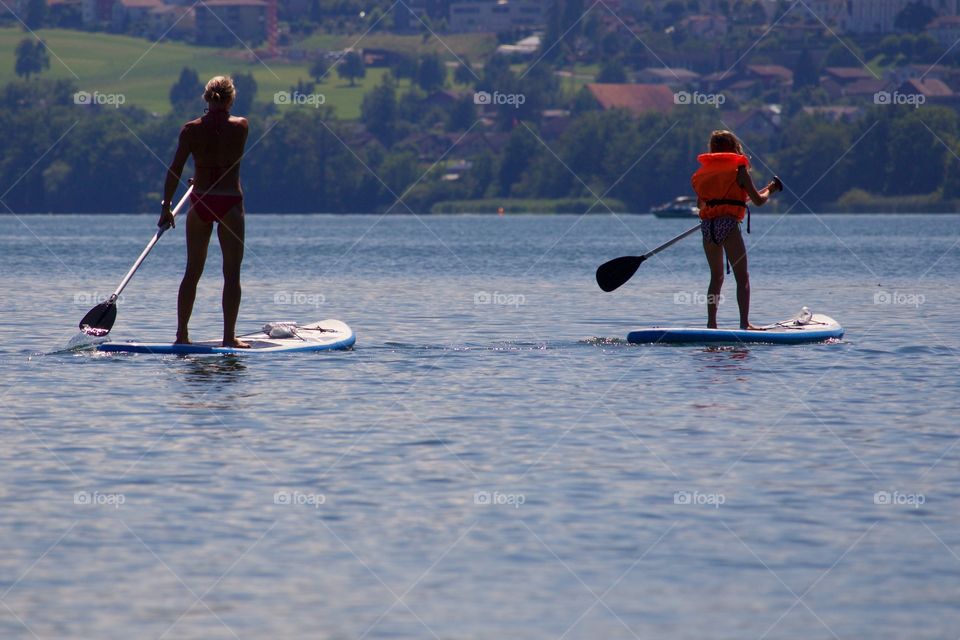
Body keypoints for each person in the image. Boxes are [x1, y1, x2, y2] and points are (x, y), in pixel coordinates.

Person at [158, 76, 250, 347]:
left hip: (201, 202)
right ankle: (228, 338)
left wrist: (167, 206)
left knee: (192, 271)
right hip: (230, 202)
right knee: (231, 273)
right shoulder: (241, 127)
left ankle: (181, 336)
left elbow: (175, 168)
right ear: (231, 98)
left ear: (206, 98)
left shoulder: (190, 129)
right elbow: (223, 156)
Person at [691, 130, 781, 330]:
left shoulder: (705, 173)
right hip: (729, 225)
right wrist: (770, 190)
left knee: (716, 277)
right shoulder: (739, 170)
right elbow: (758, 201)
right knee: (742, 277)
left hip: (708, 227)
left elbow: (702, 205)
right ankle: (744, 323)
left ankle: (711, 324)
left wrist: (728, 203)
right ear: (734, 147)